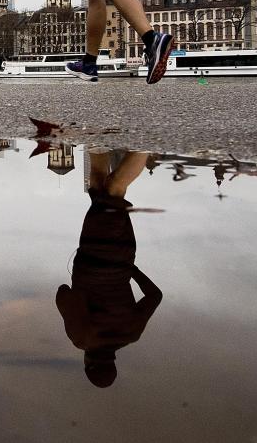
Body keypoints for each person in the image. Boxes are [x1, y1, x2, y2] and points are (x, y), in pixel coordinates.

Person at [55, 149, 162, 388]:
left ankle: (95, 136)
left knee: (98, 186)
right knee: (114, 190)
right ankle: (145, 146)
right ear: (88, 363)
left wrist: (130, 269)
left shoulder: (132, 333)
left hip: (123, 253)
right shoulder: (82, 337)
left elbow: (155, 296)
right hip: (94, 253)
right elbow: (64, 294)